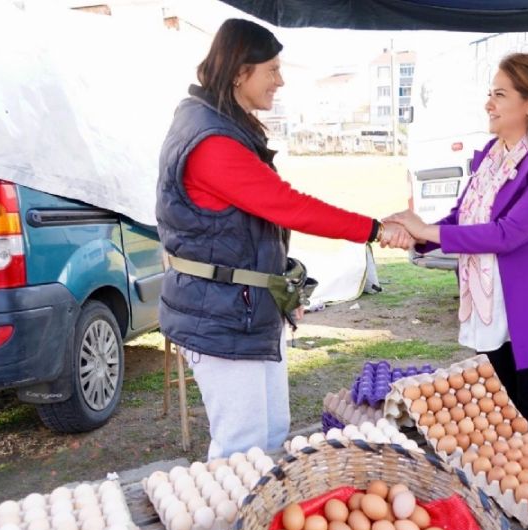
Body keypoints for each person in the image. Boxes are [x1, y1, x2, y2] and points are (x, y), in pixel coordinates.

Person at [155, 19, 411, 459]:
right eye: (271, 69)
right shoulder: (211, 140)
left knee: (272, 433)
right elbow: (287, 205)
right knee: (241, 444)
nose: (281, 79)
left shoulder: (220, 122)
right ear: (240, 71)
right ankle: (232, 524)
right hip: (221, 313)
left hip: (244, 308)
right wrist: (376, 229)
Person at [386, 53, 528, 447]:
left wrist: (427, 230)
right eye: (490, 93)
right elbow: (462, 219)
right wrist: (415, 231)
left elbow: (510, 233)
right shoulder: (492, 156)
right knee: (503, 420)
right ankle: (510, 507)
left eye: (500, 94)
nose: (489, 103)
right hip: (497, 311)